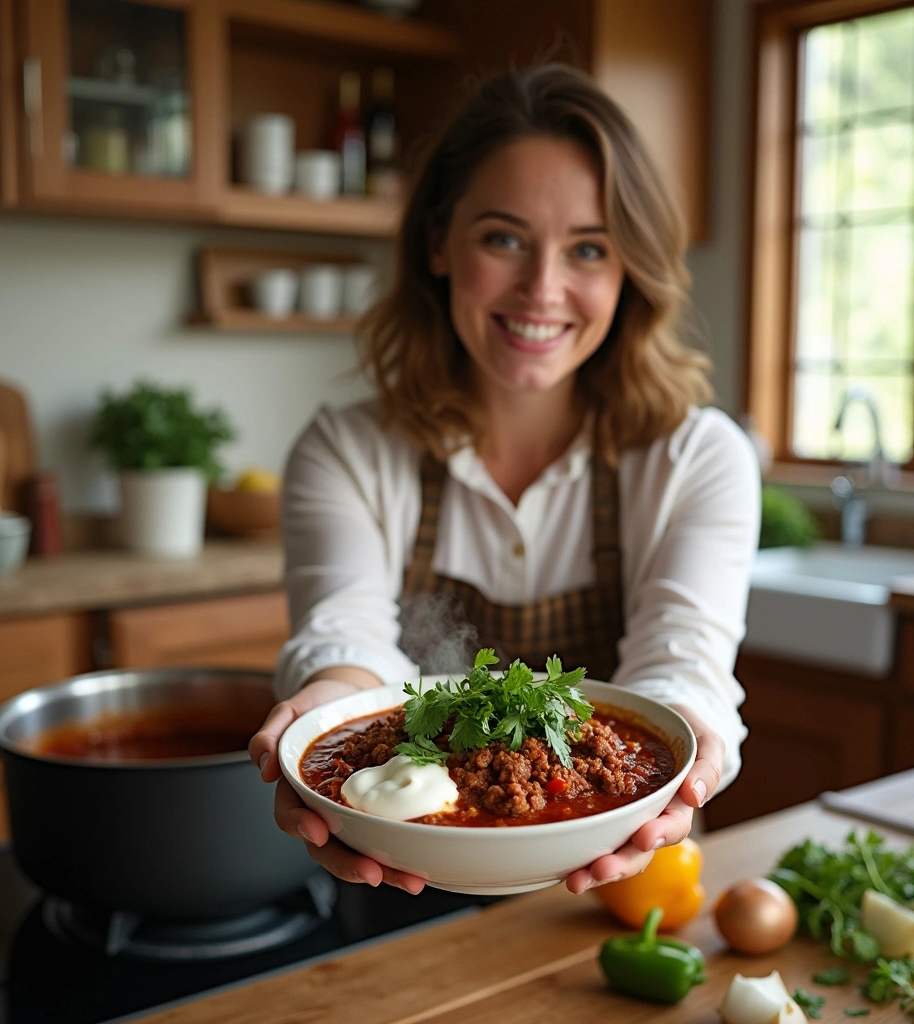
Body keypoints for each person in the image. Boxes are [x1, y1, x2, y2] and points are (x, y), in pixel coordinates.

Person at [249, 63, 760, 896]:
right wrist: (324, 709)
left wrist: (679, 765)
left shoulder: (697, 457)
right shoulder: (346, 450)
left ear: (631, 270)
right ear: (439, 244)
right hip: (397, 874)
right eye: (504, 237)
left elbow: (681, 669)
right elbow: (346, 642)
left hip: (623, 872)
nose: (542, 288)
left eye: (588, 248)